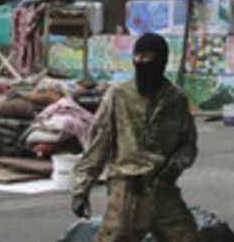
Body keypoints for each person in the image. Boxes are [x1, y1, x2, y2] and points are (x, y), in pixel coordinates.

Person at [71, 32, 200, 242]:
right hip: (127, 195)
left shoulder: (176, 100)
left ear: (161, 60)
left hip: (163, 192)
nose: (139, 62)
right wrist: (81, 189)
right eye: (137, 56)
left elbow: (188, 144)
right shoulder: (119, 96)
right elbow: (98, 144)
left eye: (146, 56)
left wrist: (174, 167)